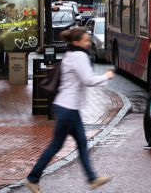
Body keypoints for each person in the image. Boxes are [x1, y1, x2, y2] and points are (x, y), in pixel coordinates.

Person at [25, 27, 114, 192]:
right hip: (68, 108)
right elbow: (88, 80)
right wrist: (106, 76)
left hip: (68, 107)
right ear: (76, 42)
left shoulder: (70, 55)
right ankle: (32, 178)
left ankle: (92, 179)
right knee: (56, 145)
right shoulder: (79, 56)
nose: (89, 43)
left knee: (81, 142)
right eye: (86, 40)